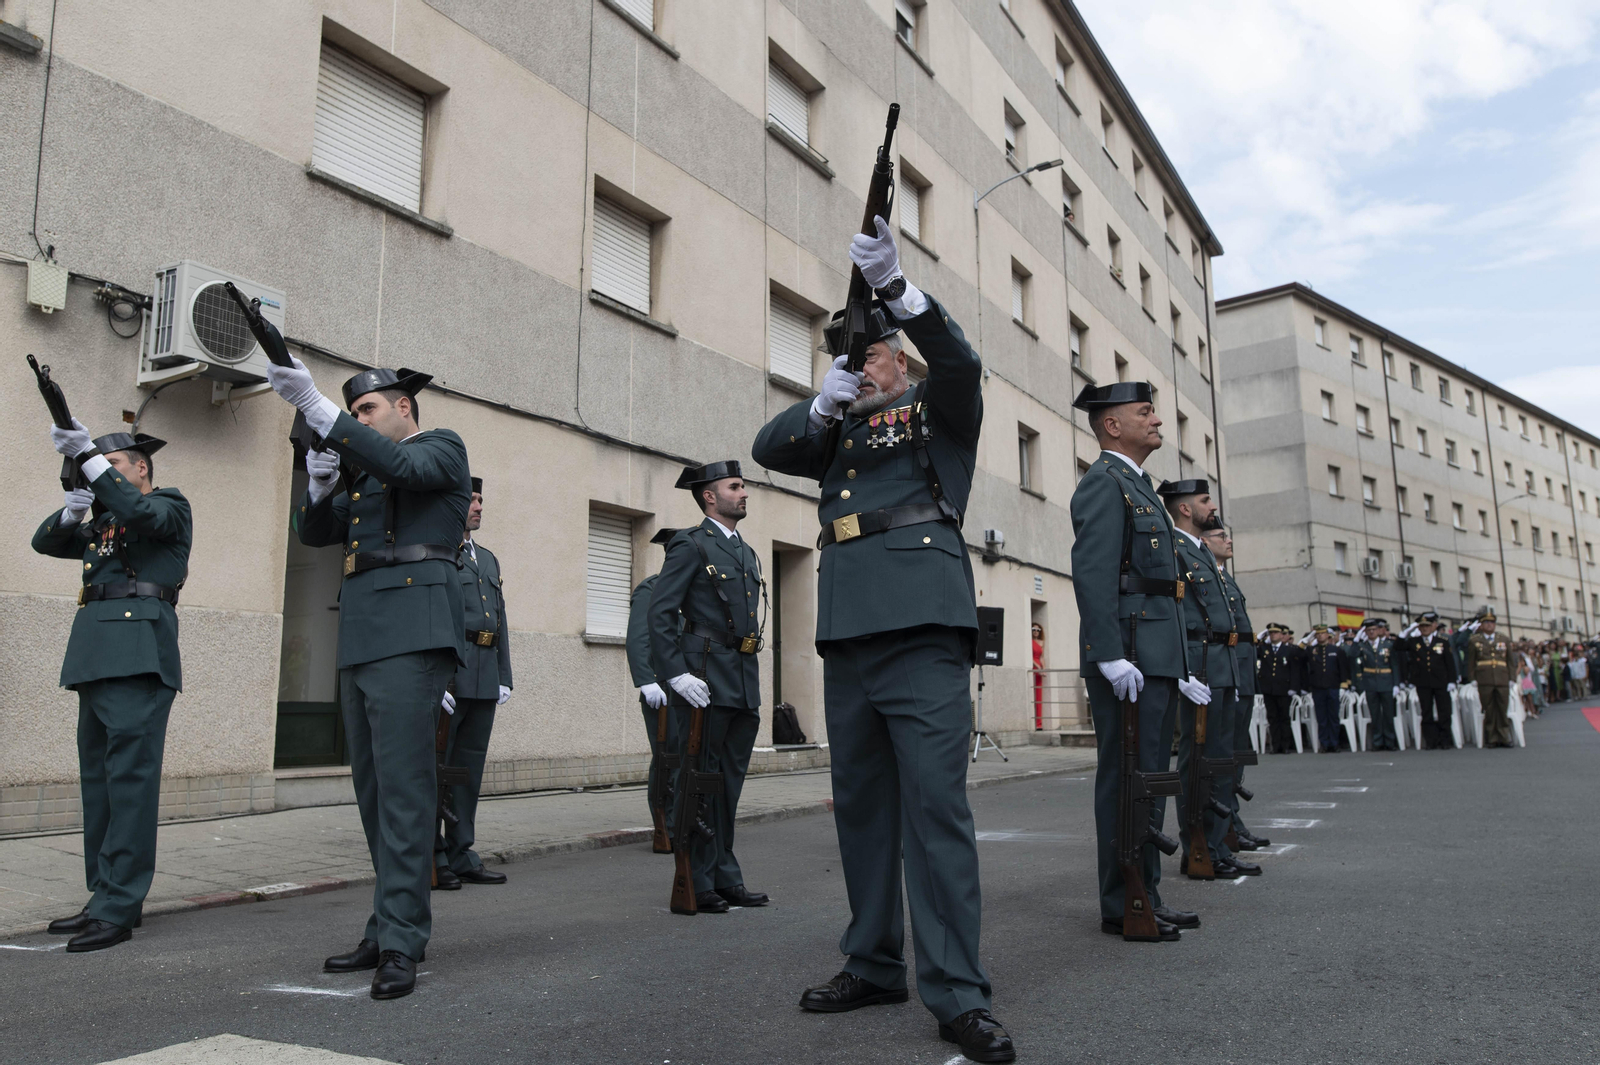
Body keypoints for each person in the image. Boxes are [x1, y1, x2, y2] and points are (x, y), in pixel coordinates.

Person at [753, 218, 1014, 1062]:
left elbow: (964, 365)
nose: (859, 366)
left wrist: (899, 290)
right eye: (845, 356)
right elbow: (766, 447)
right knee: (863, 810)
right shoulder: (834, 430)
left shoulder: (937, 412)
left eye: (868, 354)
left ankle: (959, 990)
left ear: (900, 358)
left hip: (922, 625)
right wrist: (819, 402)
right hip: (848, 632)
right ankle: (872, 961)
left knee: (936, 811)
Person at [270, 361, 471, 1000]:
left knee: (405, 792)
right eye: (353, 413)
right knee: (374, 793)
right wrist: (319, 479)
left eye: (367, 411)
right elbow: (317, 533)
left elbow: (403, 468)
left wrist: (318, 407)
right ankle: (386, 924)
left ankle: (402, 940)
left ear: (403, 407)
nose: (358, 421)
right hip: (362, 633)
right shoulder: (363, 474)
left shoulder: (441, 448)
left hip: (412, 630)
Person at [1065, 381, 1211, 947]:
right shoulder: (1104, 483)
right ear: (1112, 425)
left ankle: (1147, 891)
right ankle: (1122, 900)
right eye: (1144, 412)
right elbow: (1093, 573)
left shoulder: (1140, 487)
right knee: (1126, 779)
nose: (1157, 420)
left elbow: (1165, 589)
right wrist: (1107, 654)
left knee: (1151, 778)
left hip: (1155, 656)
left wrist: (1180, 663)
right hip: (1128, 656)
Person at [34, 427, 191, 953]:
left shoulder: (168, 504)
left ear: (141, 467)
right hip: (95, 655)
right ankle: (104, 893)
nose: (102, 473)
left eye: (114, 464)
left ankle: (119, 905)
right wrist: (73, 509)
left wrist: (89, 459)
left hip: (139, 653)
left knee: (129, 786)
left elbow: (142, 514)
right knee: (99, 785)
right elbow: (46, 542)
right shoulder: (103, 521)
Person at [647, 462, 768, 916]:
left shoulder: (745, 551)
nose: (744, 493)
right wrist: (675, 673)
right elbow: (660, 613)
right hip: (704, 678)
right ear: (710, 497)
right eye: (735, 487)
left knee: (728, 785)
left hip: (742, 679)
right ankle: (696, 879)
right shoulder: (691, 544)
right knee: (699, 780)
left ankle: (725, 875)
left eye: (744, 486)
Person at [1157, 479, 1257, 881]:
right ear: (1185, 509)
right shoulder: (1173, 548)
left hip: (1223, 664)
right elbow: (1172, 612)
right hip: (1199, 667)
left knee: (1218, 761)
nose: (1212, 506)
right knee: (1197, 763)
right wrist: (1180, 670)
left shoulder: (1199, 550)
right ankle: (1200, 848)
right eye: (1204, 500)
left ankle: (1217, 845)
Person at [434, 477, 512, 889]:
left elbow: (500, 620)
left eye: (481, 499)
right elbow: (435, 616)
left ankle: (461, 853)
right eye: (471, 499)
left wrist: (504, 675)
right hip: (452, 675)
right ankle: (433, 856)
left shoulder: (488, 559)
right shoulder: (440, 550)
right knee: (437, 770)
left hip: (484, 676)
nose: (479, 506)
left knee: (468, 772)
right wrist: (439, 679)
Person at [1201, 527, 1269, 853]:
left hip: (1242, 669)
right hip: (1228, 669)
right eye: (1220, 535)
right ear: (1204, 541)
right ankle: (1227, 824)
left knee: (1237, 752)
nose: (1228, 540)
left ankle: (1233, 821)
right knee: (1224, 753)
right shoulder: (1207, 574)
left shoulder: (1225, 575)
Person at [627, 528, 682, 853]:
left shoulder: (691, 592)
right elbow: (638, 638)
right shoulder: (652, 589)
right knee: (667, 758)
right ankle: (664, 825)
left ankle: (682, 822)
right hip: (660, 689)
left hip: (688, 689)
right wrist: (646, 681)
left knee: (685, 759)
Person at [1398, 611, 1457, 750]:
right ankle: (1431, 741)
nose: (1425, 629)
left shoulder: (1442, 641)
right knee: (1426, 712)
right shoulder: (1414, 642)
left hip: (1441, 681)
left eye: (1427, 626)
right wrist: (1406, 631)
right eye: (1422, 626)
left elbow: (1449, 662)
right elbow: (1398, 647)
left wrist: (1452, 680)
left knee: (1444, 711)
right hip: (1423, 681)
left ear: (1433, 627)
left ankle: (1445, 740)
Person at [1466, 611, 1514, 747]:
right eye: (1486, 622)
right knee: (1489, 709)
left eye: (1492, 622)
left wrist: (1512, 677)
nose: (1489, 625)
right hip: (1484, 678)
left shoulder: (1503, 639)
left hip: (1502, 678)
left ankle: (1504, 737)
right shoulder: (1474, 640)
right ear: (1481, 625)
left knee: (1502, 708)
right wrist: (1472, 678)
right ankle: (1492, 738)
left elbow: (1510, 660)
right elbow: (1471, 661)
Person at [1353, 618, 1401, 751]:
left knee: (1388, 714)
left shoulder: (1388, 645)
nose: (1372, 632)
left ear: (1379, 630)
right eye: (1368, 630)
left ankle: (1390, 741)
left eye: (1374, 630)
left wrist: (1396, 684)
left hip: (1386, 681)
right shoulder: (1362, 646)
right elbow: (1352, 655)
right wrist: (1356, 639)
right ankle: (1377, 741)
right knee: (1375, 714)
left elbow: (1394, 665)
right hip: (1370, 683)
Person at [1304, 624, 1350, 752]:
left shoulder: (1336, 650)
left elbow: (1343, 669)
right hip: (1318, 688)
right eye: (1317, 634)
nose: (1320, 636)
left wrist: (1343, 685)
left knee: (1333, 717)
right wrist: (1308, 639)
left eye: (1322, 633)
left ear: (1328, 635)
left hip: (1333, 687)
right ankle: (1324, 743)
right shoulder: (1312, 650)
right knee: (1321, 718)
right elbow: (1297, 654)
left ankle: (1334, 743)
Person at [1256, 624, 1300, 753]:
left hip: (1284, 689)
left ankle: (1285, 745)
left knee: (1284, 718)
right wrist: (1260, 638)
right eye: (1271, 633)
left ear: (1282, 635)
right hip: (1269, 689)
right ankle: (1275, 746)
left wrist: (1293, 687)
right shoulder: (1264, 648)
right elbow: (1253, 649)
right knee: (1272, 718)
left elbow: (1294, 670)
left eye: (1276, 632)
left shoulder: (1289, 650)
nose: (1273, 635)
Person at [1031, 623, 1046, 730]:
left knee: (1039, 696)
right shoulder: (1029, 641)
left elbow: (1041, 657)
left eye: (1038, 630)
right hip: (1033, 668)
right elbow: (1030, 657)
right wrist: (1038, 667)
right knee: (1032, 695)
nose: (1036, 632)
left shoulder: (1041, 642)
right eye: (1034, 629)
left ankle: (1039, 724)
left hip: (1039, 670)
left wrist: (1044, 669)